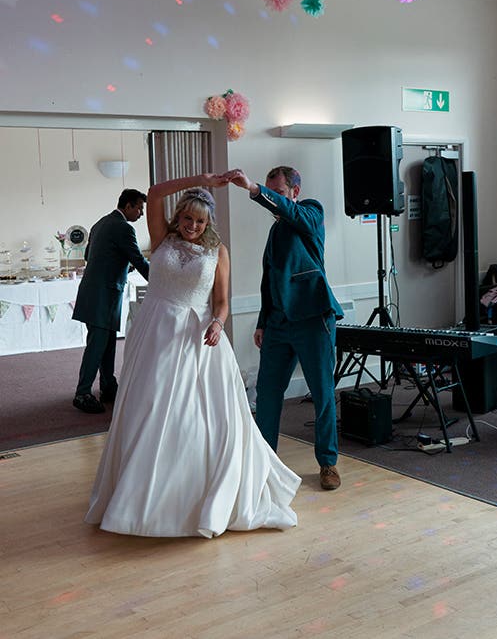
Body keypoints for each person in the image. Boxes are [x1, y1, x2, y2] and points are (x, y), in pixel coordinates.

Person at [85, 173, 301, 538]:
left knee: (197, 415)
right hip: (155, 331)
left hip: (196, 337)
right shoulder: (162, 238)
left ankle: (188, 496)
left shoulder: (219, 252)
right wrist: (204, 180)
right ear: (179, 216)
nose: (193, 227)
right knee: (148, 407)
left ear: (208, 222)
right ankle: (139, 496)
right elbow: (153, 193)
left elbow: (221, 302)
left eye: (200, 222)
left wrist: (217, 323)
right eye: (188, 219)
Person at [224, 166, 344, 491]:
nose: (275, 198)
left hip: (312, 318)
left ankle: (328, 463)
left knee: (322, 393)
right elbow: (269, 281)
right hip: (278, 324)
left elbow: (290, 212)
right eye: (270, 192)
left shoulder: (311, 213)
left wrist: (254, 189)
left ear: (294, 191)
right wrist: (263, 322)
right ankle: (265, 461)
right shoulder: (275, 231)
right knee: (267, 394)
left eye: (279, 192)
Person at [72, 189, 150, 414]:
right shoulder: (124, 228)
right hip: (104, 294)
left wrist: (120, 263)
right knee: (97, 345)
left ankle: (108, 386)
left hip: (94, 291)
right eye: (139, 208)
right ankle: (83, 393)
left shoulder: (100, 223)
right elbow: (139, 259)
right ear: (127, 206)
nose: (141, 213)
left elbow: (90, 256)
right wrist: (162, 280)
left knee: (106, 342)